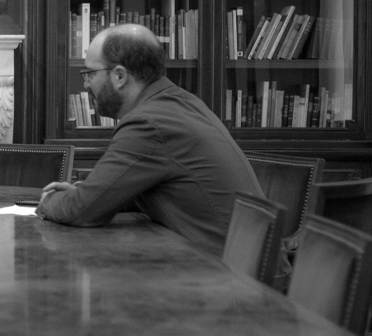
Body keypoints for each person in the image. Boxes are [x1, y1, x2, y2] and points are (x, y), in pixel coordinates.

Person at [37, 23, 262, 256]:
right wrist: (86, 193)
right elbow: (136, 190)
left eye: (90, 73)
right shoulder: (182, 102)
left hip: (223, 272)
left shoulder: (148, 124)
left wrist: (50, 201)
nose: (86, 84)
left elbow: (83, 211)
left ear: (120, 76)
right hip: (238, 264)